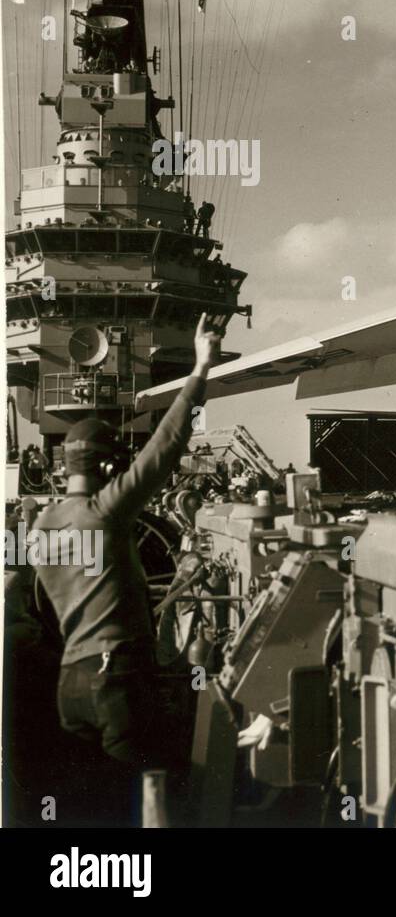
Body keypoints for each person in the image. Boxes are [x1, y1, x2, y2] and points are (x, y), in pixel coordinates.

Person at [30, 313, 223, 825]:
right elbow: (162, 451)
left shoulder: (39, 530)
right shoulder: (106, 511)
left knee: (87, 808)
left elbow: (37, 610)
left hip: (69, 687)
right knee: (144, 799)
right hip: (115, 678)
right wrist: (201, 367)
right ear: (110, 468)